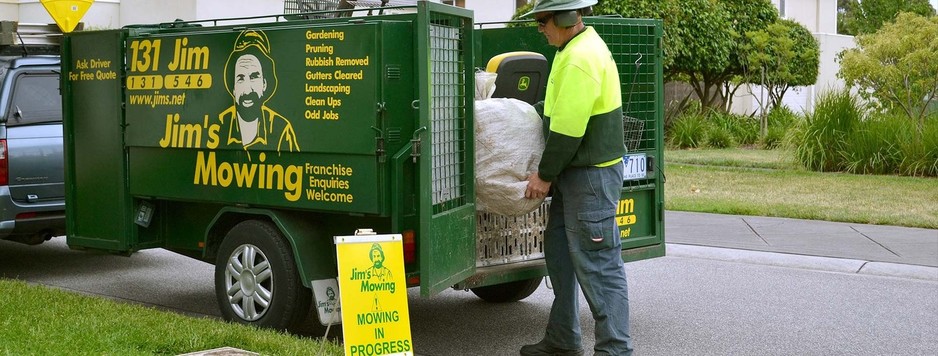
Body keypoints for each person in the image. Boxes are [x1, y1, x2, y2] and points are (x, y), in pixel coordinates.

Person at [521, 0, 632, 355]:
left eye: (543, 21)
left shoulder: (580, 57)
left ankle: (615, 350)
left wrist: (543, 175)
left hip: (589, 176)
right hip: (577, 173)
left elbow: (568, 132)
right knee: (561, 255)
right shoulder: (572, 48)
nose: (540, 28)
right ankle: (563, 339)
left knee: (599, 266)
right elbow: (557, 110)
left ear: (567, 17)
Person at [220, 30, 299, 158]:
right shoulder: (218, 125)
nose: (247, 90)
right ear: (233, 87)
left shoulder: (281, 130)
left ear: (264, 84)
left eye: (253, 77)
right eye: (240, 78)